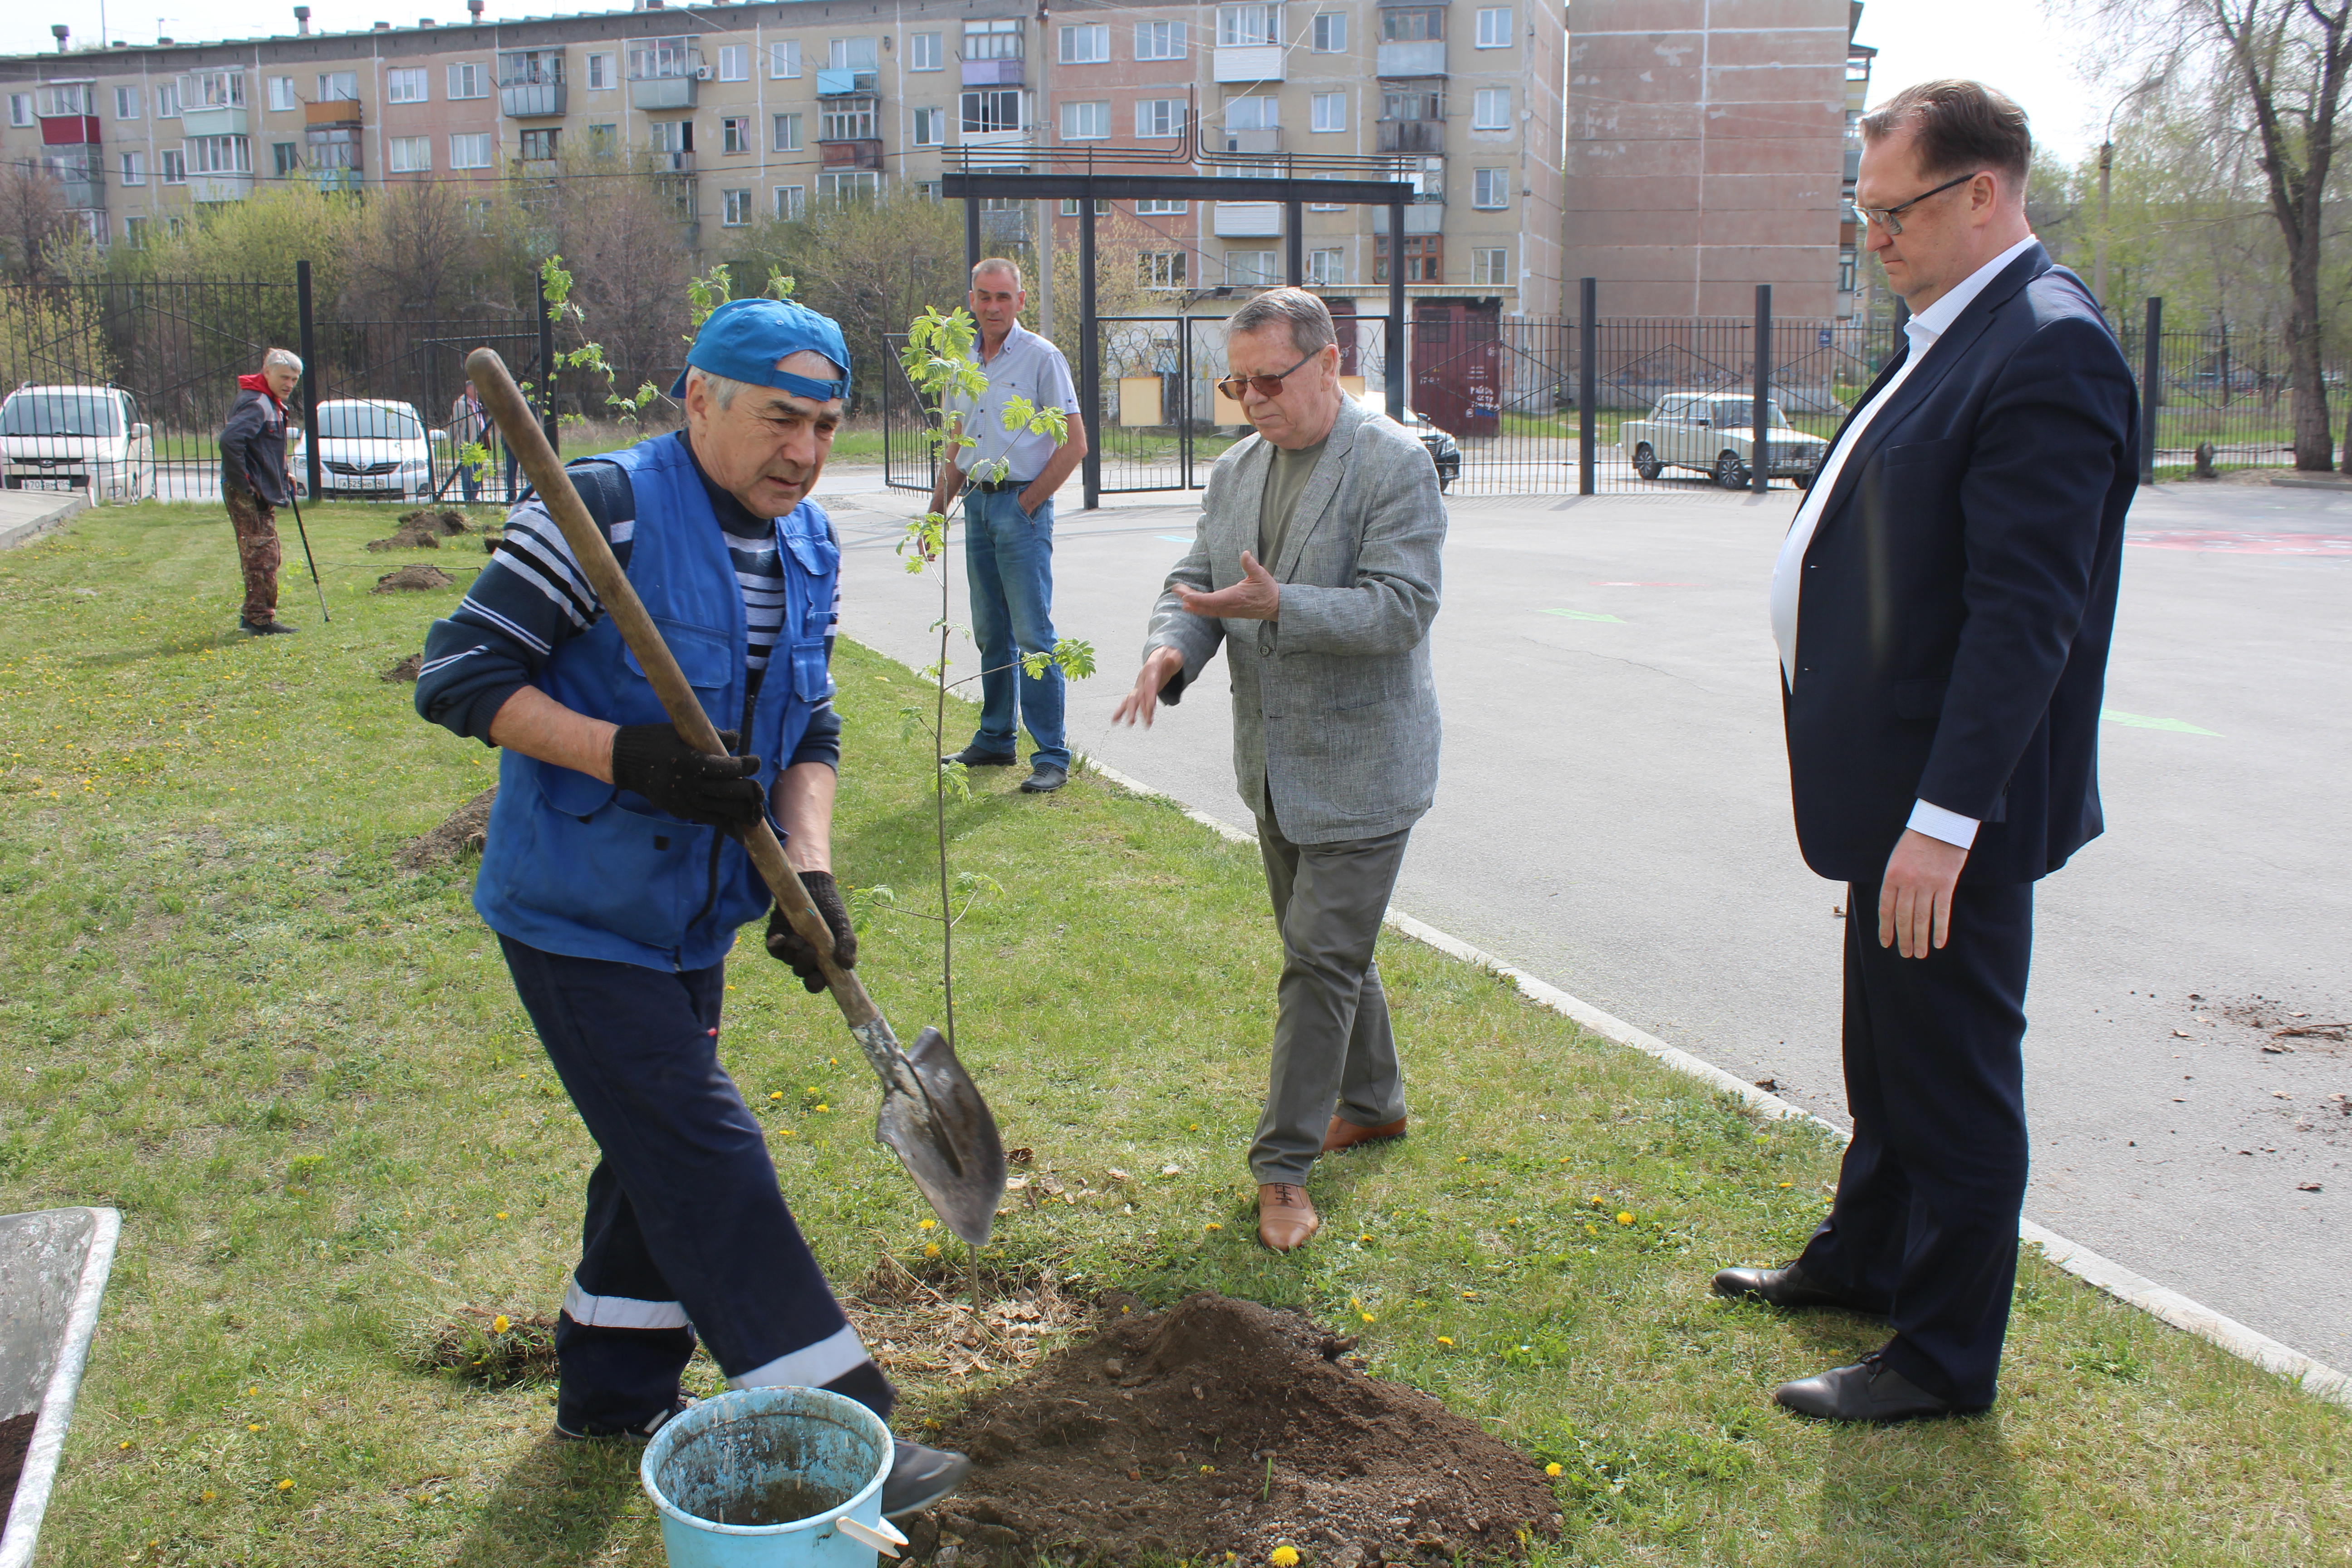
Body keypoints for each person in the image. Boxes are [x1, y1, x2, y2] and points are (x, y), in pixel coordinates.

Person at [412, 298, 970, 1514]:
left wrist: (808, 866)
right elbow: (458, 678)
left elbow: (809, 724)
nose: (807, 451)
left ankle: (614, 1389)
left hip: (692, 918)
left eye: (825, 424)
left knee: (648, 1152)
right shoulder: (598, 512)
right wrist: (632, 757)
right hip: (575, 912)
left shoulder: (808, 544)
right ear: (699, 399)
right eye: (782, 419)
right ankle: (850, 1425)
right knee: (707, 1150)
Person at [1712, 79, 2138, 1422]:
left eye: (1892, 214)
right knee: (1885, 1050)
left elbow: (2029, 619)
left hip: (1950, 810)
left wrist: (1947, 821)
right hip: (1890, 789)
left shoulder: (2047, 347)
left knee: (1952, 1076)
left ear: (1981, 194)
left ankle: (1944, 1356)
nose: (1873, 239)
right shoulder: (1950, 331)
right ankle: (1865, 1257)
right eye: (1863, 216)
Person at [1110, 288, 1446, 1253]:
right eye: (1238, 383)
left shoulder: (1394, 466)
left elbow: (1400, 610)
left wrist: (1281, 605)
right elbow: (1196, 587)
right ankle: (1374, 1101)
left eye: (1271, 379)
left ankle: (1283, 1169)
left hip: (1366, 770)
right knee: (1331, 953)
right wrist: (1172, 649)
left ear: (1330, 362)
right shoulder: (1234, 473)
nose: (1253, 399)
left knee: (1317, 963)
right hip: (1274, 770)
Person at [927, 258, 1087, 795]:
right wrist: (935, 515)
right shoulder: (961, 366)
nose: (992, 306)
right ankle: (995, 738)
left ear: (1020, 300)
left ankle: (1051, 755)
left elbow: (1076, 444)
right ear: (971, 300)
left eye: (1003, 297)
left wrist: (1028, 504)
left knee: (1031, 636)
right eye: (983, 296)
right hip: (976, 504)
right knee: (991, 631)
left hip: (1020, 508)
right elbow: (957, 447)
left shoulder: (1043, 358)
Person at [219, 347, 302, 637]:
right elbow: (231, 441)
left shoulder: (270, 402)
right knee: (261, 556)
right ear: (267, 373)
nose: (289, 384)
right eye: (284, 377)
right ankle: (258, 621)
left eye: (294, 379)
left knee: (267, 553)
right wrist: (246, 485)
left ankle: (256, 616)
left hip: (261, 488)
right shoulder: (258, 403)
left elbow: (261, 447)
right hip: (248, 491)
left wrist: (282, 473)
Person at [450, 373, 487, 503]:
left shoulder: (478, 405)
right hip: (466, 444)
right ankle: (469, 499)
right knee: (467, 473)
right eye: (475, 389)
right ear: (468, 390)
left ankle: (475, 496)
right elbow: (454, 425)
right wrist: (456, 441)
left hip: (478, 444)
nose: (478, 392)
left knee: (478, 472)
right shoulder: (461, 405)